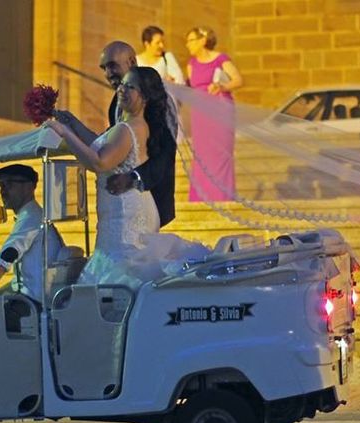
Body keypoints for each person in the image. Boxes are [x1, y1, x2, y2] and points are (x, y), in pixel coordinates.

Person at [48, 67, 176, 287]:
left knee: (118, 273)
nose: (121, 90)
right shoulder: (129, 126)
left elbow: (99, 162)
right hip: (121, 211)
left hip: (123, 215)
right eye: (122, 85)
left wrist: (65, 134)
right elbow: (101, 146)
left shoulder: (128, 129)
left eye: (130, 87)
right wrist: (74, 124)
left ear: (144, 97)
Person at [54, 41, 177, 228]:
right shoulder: (117, 103)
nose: (107, 73)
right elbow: (110, 144)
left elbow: (166, 151)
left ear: (132, 61)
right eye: (104, 68)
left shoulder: (157, 98)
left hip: (146, 197)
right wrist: (72, 123)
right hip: (120, 203)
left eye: (112, 65)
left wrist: (134, 178)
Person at [0, 164, 64, 303]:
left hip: (32, 305)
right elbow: (19, 281)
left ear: (29, 187)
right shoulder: (33, 215)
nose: (3, 191)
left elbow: (0, 265)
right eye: (1, 185)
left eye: (9, 184)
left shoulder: (31, 218)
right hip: (31, 299)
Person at [185, 26, 243, 202]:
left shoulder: (221, 59)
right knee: (202, 155)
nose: (188, 45)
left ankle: (222, 195)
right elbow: (191, 87)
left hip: (220, 111)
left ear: (202, 41)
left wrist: (221, 87)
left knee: (220, 154)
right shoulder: (190, 64)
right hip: (200, 114)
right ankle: (201, 196)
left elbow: (238, 80)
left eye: (191, 40)